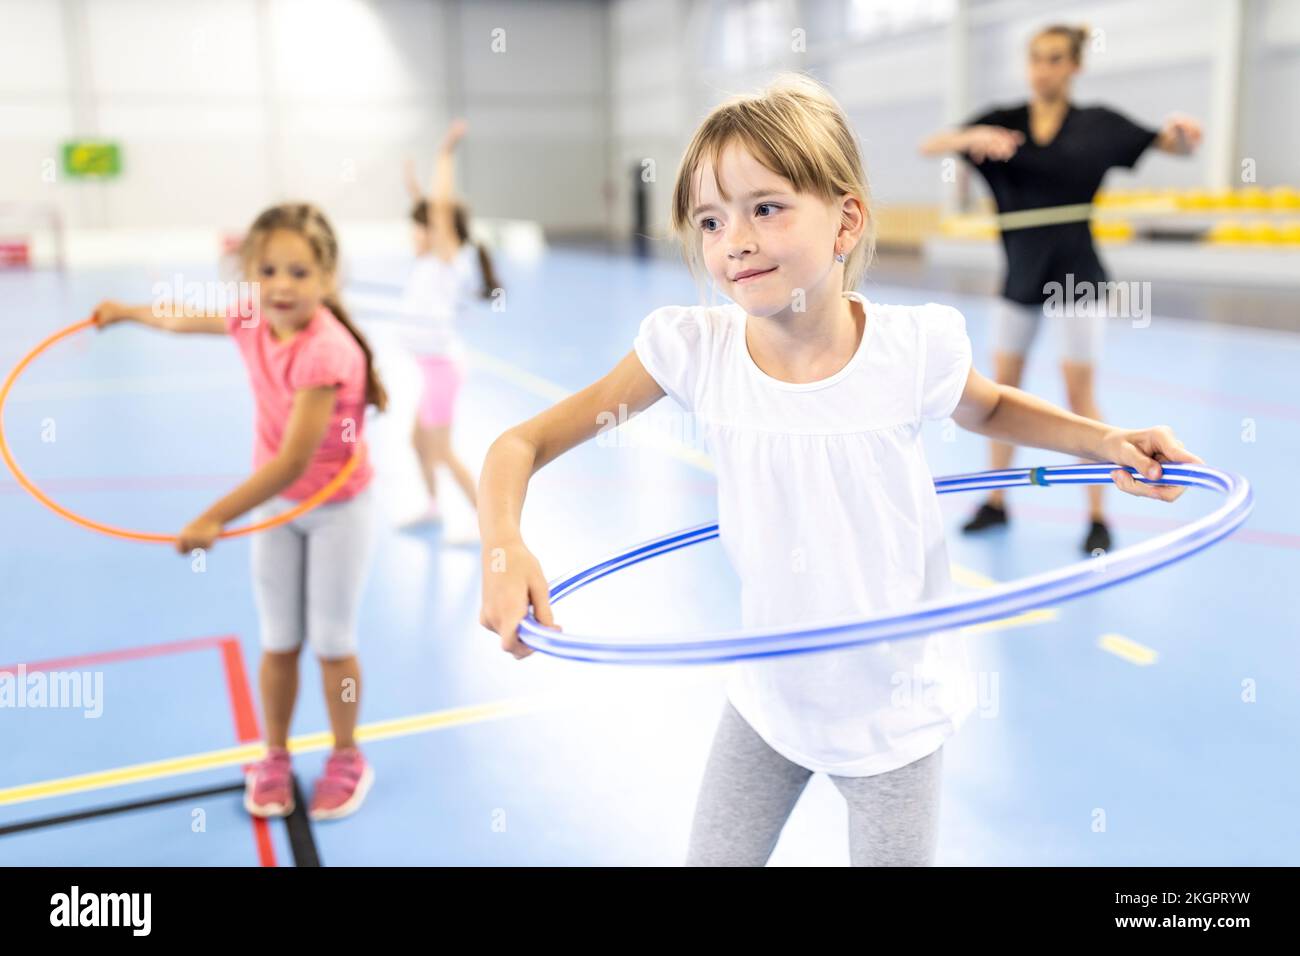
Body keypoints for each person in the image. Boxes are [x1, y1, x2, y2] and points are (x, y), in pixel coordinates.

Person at [478, 73, 1201, 865]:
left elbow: (989, 408)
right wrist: (504, 548)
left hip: (894, 714)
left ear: (846, 219)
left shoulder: (911, 347)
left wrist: (1106, 443)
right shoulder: (691, 350)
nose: (735, 242)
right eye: (710, 221)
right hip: (767, 701)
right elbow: (520, 445)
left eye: (766, 207)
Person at [92, 203, 385, 821]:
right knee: (279, 640)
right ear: (248, 273)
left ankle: (347, 755)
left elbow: (291, 462)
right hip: (278, 510)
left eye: (300, 273)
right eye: (269, 269)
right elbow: (179, 320)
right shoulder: (251, 318)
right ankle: (273, 755)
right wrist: (127, 315)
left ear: (327, 279)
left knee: (332, 641)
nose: (282, 285)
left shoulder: (325, 352)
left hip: (337, 508)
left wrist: (213, 518)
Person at [920, 23, 1202, 554]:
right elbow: (930, 144)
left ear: (1074, 66)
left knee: (1079, 394)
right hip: (1020, 275)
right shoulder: (1002, 121)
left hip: (1078, 276)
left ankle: (1097, 517)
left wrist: (1185, 134)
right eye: (1035, 58)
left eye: (1053, 59)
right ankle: (995, 501)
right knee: (1001, 389)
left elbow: (1172, 144)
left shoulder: (1099, 126)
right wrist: (968, 139)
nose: (1042, 69)